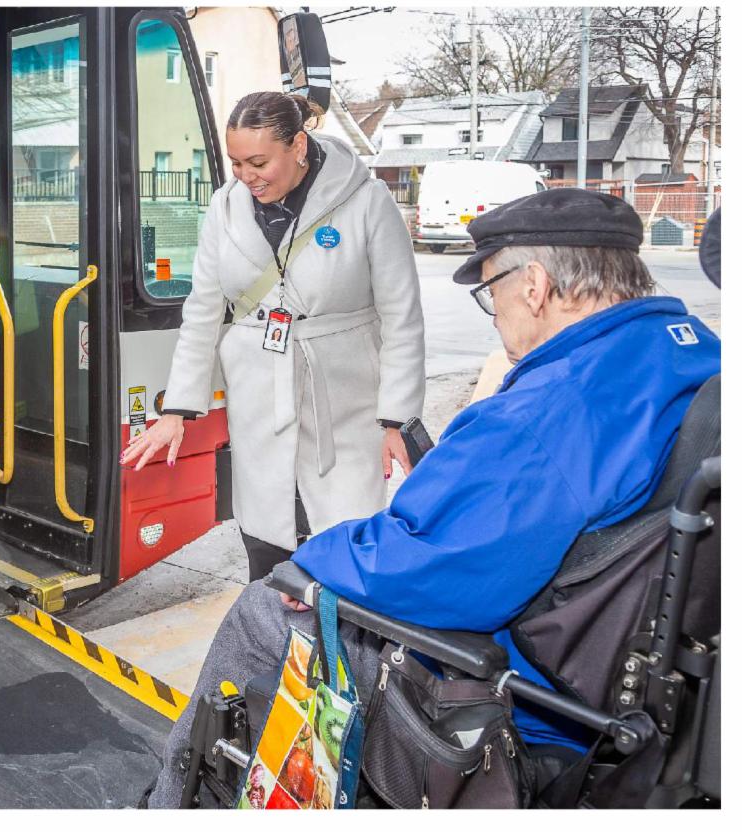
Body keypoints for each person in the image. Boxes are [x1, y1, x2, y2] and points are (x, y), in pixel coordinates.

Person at [146, 188, 722, 808]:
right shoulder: (691, 350)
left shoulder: (546, 412)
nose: (494, 312)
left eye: (491, 291)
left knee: (264, 607)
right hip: (645, 689)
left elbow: (423, 564)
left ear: (534, 285)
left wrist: (311, 564)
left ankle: (169, 802)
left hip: (520, 700)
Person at [120, 91, 426, 581]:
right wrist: (176, 409)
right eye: (236, 162)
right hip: (259, 389)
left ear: (298, 146)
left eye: (259, 161)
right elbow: (203, 309)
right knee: (267, 535)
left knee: (341, 537)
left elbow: (402, 315)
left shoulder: (366, 200)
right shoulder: (225, 207)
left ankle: (340, 644)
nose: (246, 176)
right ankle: (269, 635)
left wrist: (398, 419)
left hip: (343, 394)